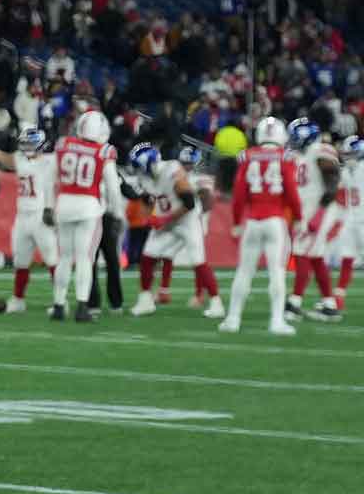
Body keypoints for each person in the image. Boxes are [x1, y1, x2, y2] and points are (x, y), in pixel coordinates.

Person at [221, 117, 302, 335]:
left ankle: (232, 319)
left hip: (252, 221)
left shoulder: (247, 156)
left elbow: (238, 193)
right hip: (275, 220)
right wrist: (299, 216)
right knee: (277, 271)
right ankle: (276, 321)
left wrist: (237, 221)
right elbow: (292, 192)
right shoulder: (285, 157)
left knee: (244, 271)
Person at [127, 144, 223, 319]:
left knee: (198, 260)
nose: (138, 171)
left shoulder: (172, 170)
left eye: (140, 166)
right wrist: (150, 217)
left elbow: (189, 203)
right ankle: (145, 301)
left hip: (187, 219)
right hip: (168, 218)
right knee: (148, 256)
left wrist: (163, 219)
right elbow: (147, 199)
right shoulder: (145, 177)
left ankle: (216, 303)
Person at [51, 110, 126, 322]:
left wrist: (49, 207)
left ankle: (58, 305)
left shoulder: (63, 144)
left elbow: (51, 179)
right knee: (85, 258)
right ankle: (83, 307)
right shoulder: (103, 151)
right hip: (89, 207)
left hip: (64, 203)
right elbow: (112, 187)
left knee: (64, 258)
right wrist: (117, 213)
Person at [0, 126, 55, 313]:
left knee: (52, 260)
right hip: (23, 216)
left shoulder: (50, 162)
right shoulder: (19, 160)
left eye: (30, 143)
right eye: (24, 143)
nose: (26, 146)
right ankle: (18, 299)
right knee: (20, 260)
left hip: (41, 216)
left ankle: (59, 301)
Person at [283, 118, 343, 321]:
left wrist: (318, 216)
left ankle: (294, 303)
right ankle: (329, 304)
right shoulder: (303, 154)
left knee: (301, 252)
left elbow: (333, 182)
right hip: (309, 209)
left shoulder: (320, 149)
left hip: (319, 209)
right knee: (316, 258)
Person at [336, 135, 364, 311]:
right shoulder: (347, 171)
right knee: (347, 258)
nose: (348, 157)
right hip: (351, 219)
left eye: (352, 153)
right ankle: (338, 298)